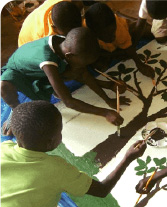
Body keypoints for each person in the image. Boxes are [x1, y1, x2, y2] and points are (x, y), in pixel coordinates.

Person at [1, 100, 147, 207]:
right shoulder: (55, 168)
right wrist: (128, 158)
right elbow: (102, 190)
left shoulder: (4, 147)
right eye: (59, 131)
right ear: (50, 142)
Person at [1, 27, 130, 136]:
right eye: (84, 63)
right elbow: (69, 102)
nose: (84, 67)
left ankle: (55, 87)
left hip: (41, 69)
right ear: (69, 56)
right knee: (4, 86)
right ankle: (15, 110)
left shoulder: (65, 42)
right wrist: (105, 112)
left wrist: (108, 100)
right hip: (19, 72)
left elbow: (84, 75)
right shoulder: (48, 61)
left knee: (77, 71)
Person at [84, 2, 155, 79]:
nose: (112, 37)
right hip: (104, 50)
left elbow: (129, 47)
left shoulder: (117, 28)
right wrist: (114, 54)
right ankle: (117, 53)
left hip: (123, 35)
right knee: (100, 66)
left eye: (113, 32)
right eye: (107, 35)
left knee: (147, 32)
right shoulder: (86, 34)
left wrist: (139, 64)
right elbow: (95, 53)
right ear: (94, 33)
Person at [18, 0, 85, 47]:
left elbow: (79, 3)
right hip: (28, 49)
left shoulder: (62, 3)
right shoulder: (49, 38)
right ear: (54, 28)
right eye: (66, 33)